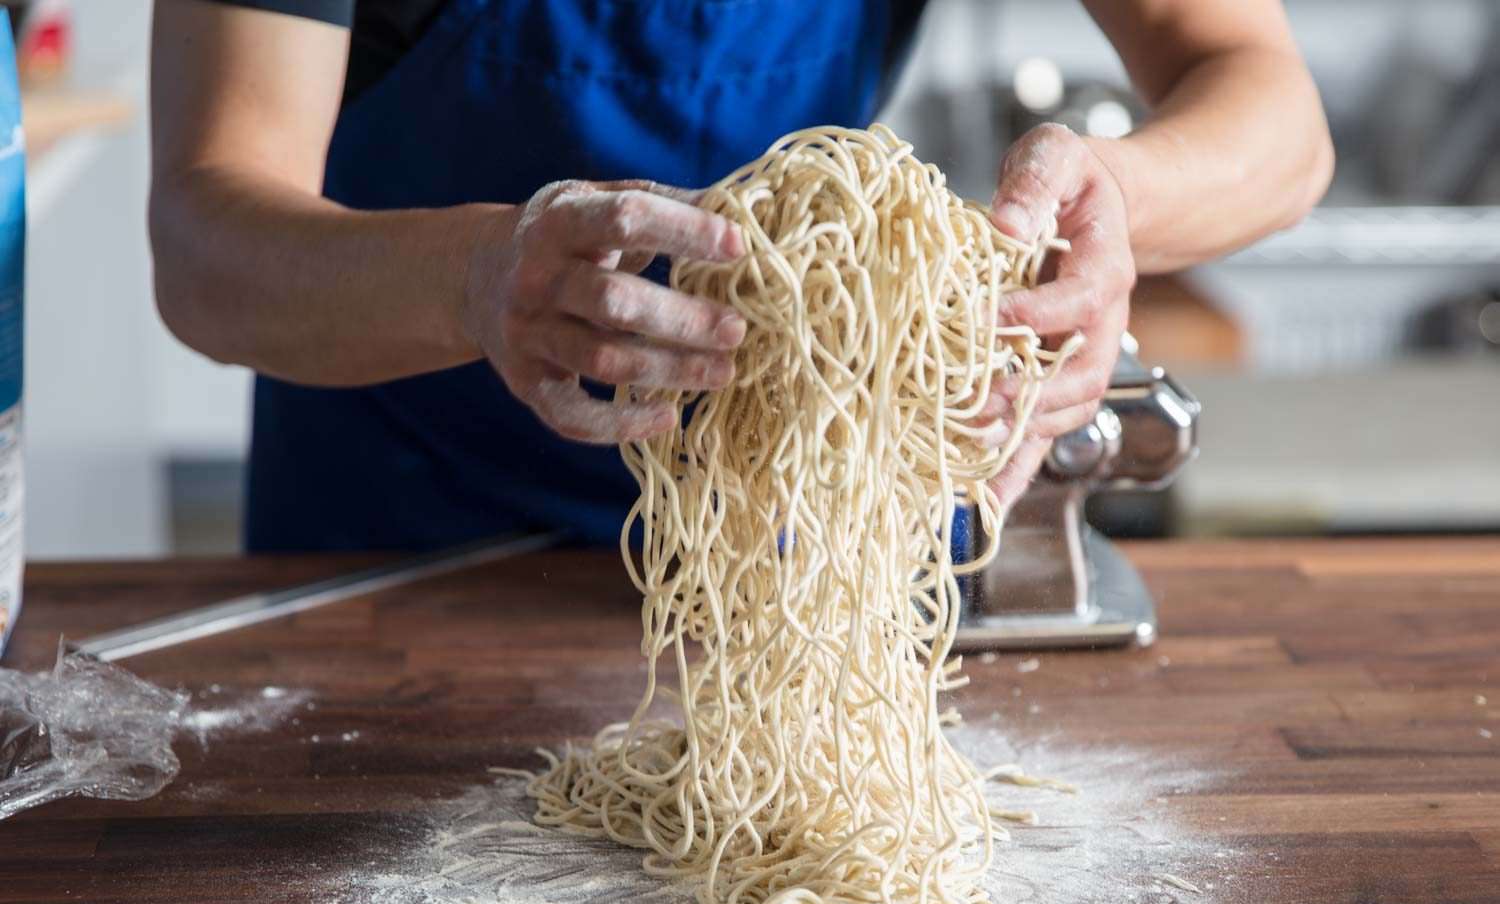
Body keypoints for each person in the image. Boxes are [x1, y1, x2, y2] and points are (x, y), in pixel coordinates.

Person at [149, 0, 1332, 552]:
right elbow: (206, 246)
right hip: (395, 564)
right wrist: (476, 280)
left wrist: (1118, 201)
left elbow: (1269, 106)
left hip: (792, 547)